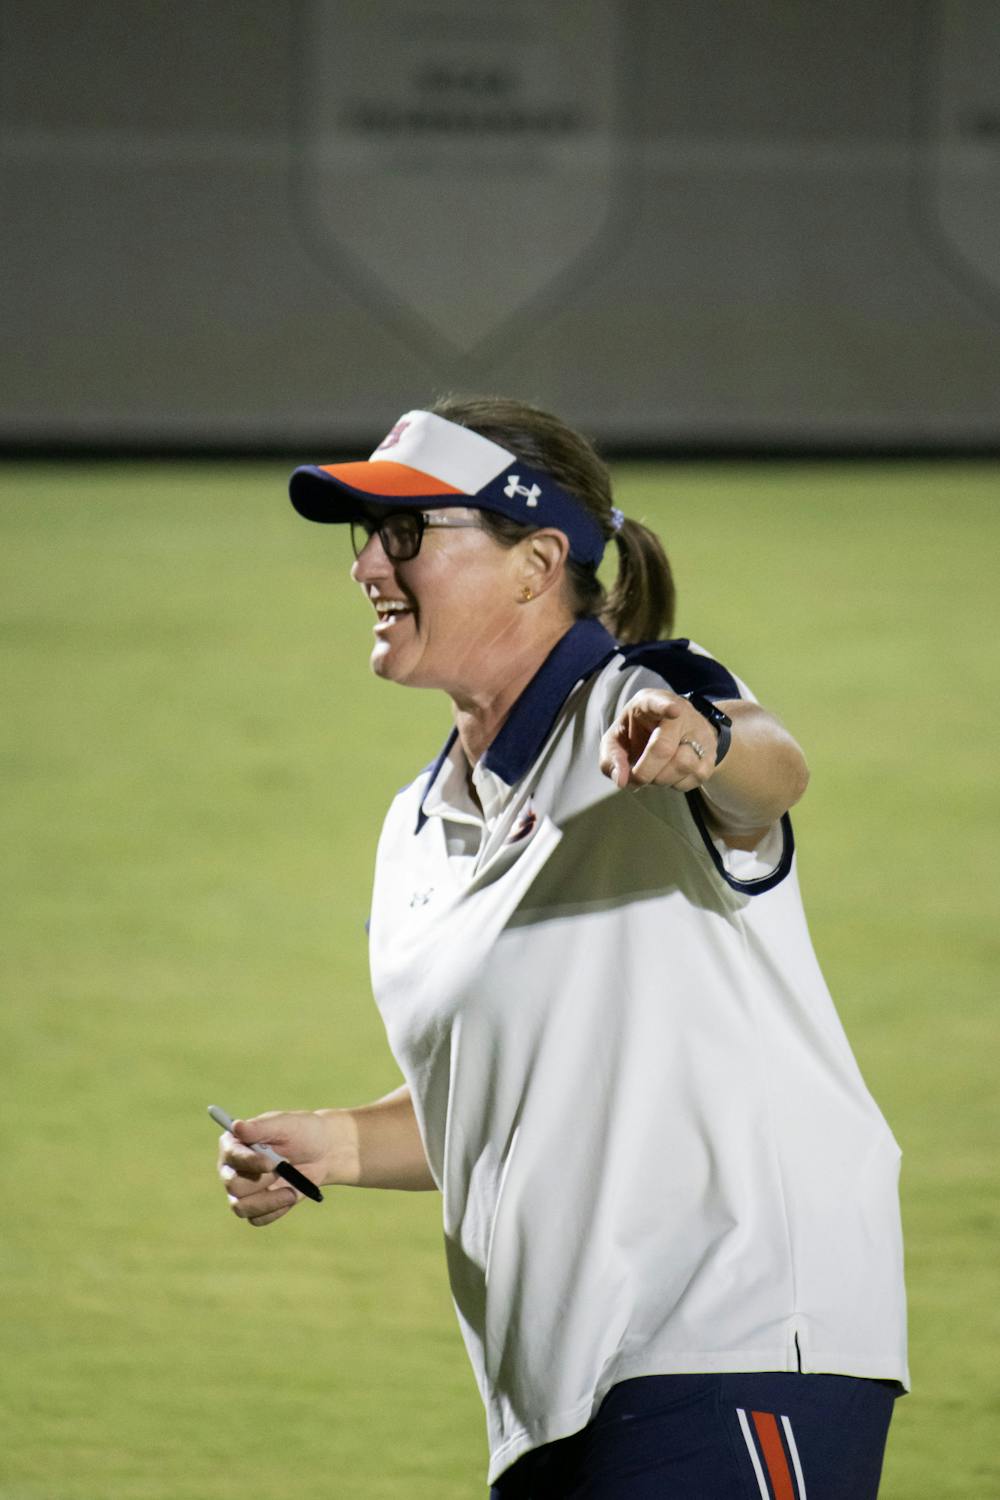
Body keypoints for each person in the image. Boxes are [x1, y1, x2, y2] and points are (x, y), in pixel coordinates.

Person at [218, 397, 908, 1499]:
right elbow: (504, 1097)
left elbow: (769, 770)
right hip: (552, 1397)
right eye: (367, 534)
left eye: (406, 533)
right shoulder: (416, 828)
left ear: (537, 562)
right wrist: (336, 1143)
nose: (367, 567)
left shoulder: (636, 706)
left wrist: (704, 742)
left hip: (735, 1340)